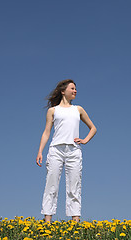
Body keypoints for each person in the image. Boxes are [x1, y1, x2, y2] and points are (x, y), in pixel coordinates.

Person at [36, 79, 97, 223]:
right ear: (63, 91)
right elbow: (46, 132)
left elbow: (93, 128)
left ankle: (75, 221)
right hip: (56, 150)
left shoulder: (78, 109)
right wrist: (40, 151)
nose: (75, 91)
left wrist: (85, 140)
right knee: (51, 185)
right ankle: (47, 221)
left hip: (74, 151)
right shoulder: (53, 111)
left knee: (74, 186)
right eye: (72, 88)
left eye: (76, 89)